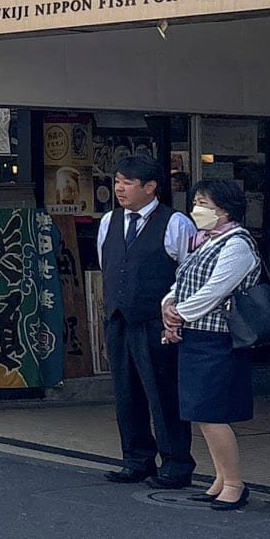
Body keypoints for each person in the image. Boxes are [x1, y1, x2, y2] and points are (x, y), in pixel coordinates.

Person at [162, 178, 264, 510]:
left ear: (225, 210)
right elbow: (182, 280)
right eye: (196, 202)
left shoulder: (237, 244)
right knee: (201, 413)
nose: (197, 210)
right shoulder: (205, 240)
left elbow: (216, 290)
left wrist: (179, 314)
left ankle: (234, 483)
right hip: (197, 335)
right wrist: (169, 304)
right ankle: (220, 478)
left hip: (218, 338)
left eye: (204, 204)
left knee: (211, 413)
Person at [96, 156, 196, 487]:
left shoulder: (175, 222)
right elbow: (108, 264)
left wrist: (176, 315)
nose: (119, 188)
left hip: (157, 321)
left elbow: (188, 274)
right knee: (126, 393)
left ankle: (176, 464)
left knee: (163, 393)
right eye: (117, 181)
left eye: (128, 182)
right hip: (120, 319)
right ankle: (136, 459)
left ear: (150, 187)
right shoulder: (109, 220)